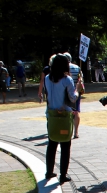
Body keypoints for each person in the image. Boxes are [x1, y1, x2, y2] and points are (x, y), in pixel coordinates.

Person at [43, 54, 78, 183]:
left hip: (51, 114)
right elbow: (72, 98)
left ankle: (49, 171)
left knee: (51, 143)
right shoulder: (67, 80)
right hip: (64, 115)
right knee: (65, 145)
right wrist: (78, 90)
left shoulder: (47, 78)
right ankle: (63, 174)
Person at [63, 53, 84, 138]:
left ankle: (68, 131)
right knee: (76, 111)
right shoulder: (77, 67)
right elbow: (81, 79)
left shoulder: (63, 68)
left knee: (67, 112)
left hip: (66, 92)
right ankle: (76, 132)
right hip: (76, 91)